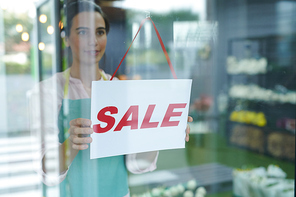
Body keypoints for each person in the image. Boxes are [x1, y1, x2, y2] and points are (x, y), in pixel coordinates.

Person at [28, 1, 193, 196]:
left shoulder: (119, 89)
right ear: (66, 39)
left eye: (100, 32)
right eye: (82, 32)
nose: (93, 41)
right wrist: (70, 144)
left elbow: (135, 164)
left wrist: (158, 132)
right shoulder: (47, 91)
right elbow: (47, 171)